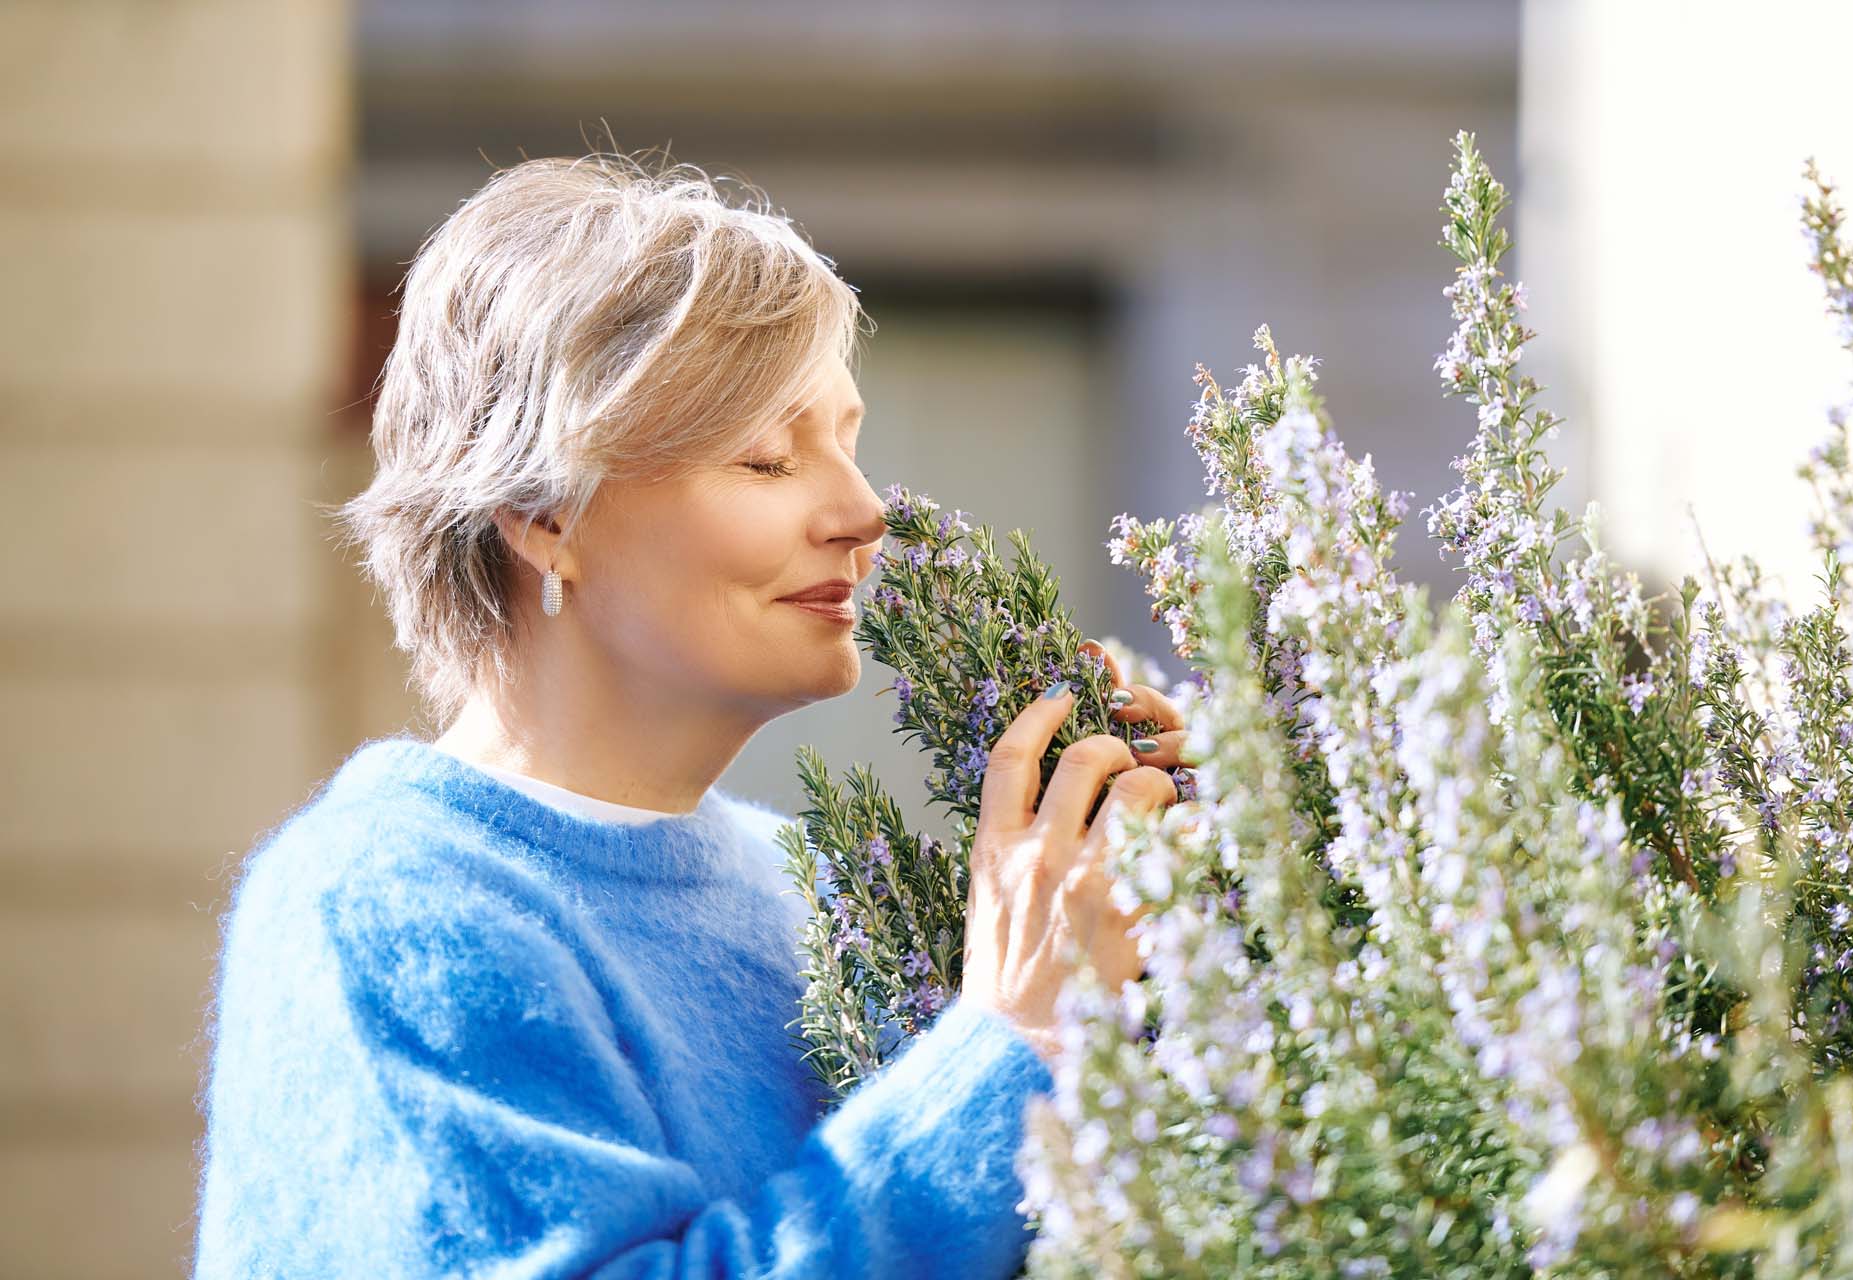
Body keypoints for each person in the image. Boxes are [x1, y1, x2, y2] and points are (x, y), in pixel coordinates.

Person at [190, 151, 1188, 1279]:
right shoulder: (385, 905)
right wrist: (1011, 1038)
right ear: (541, 513)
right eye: (765, 458)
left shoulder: (805, 885)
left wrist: (1160, 938)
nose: (864, 511)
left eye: (848, 442)